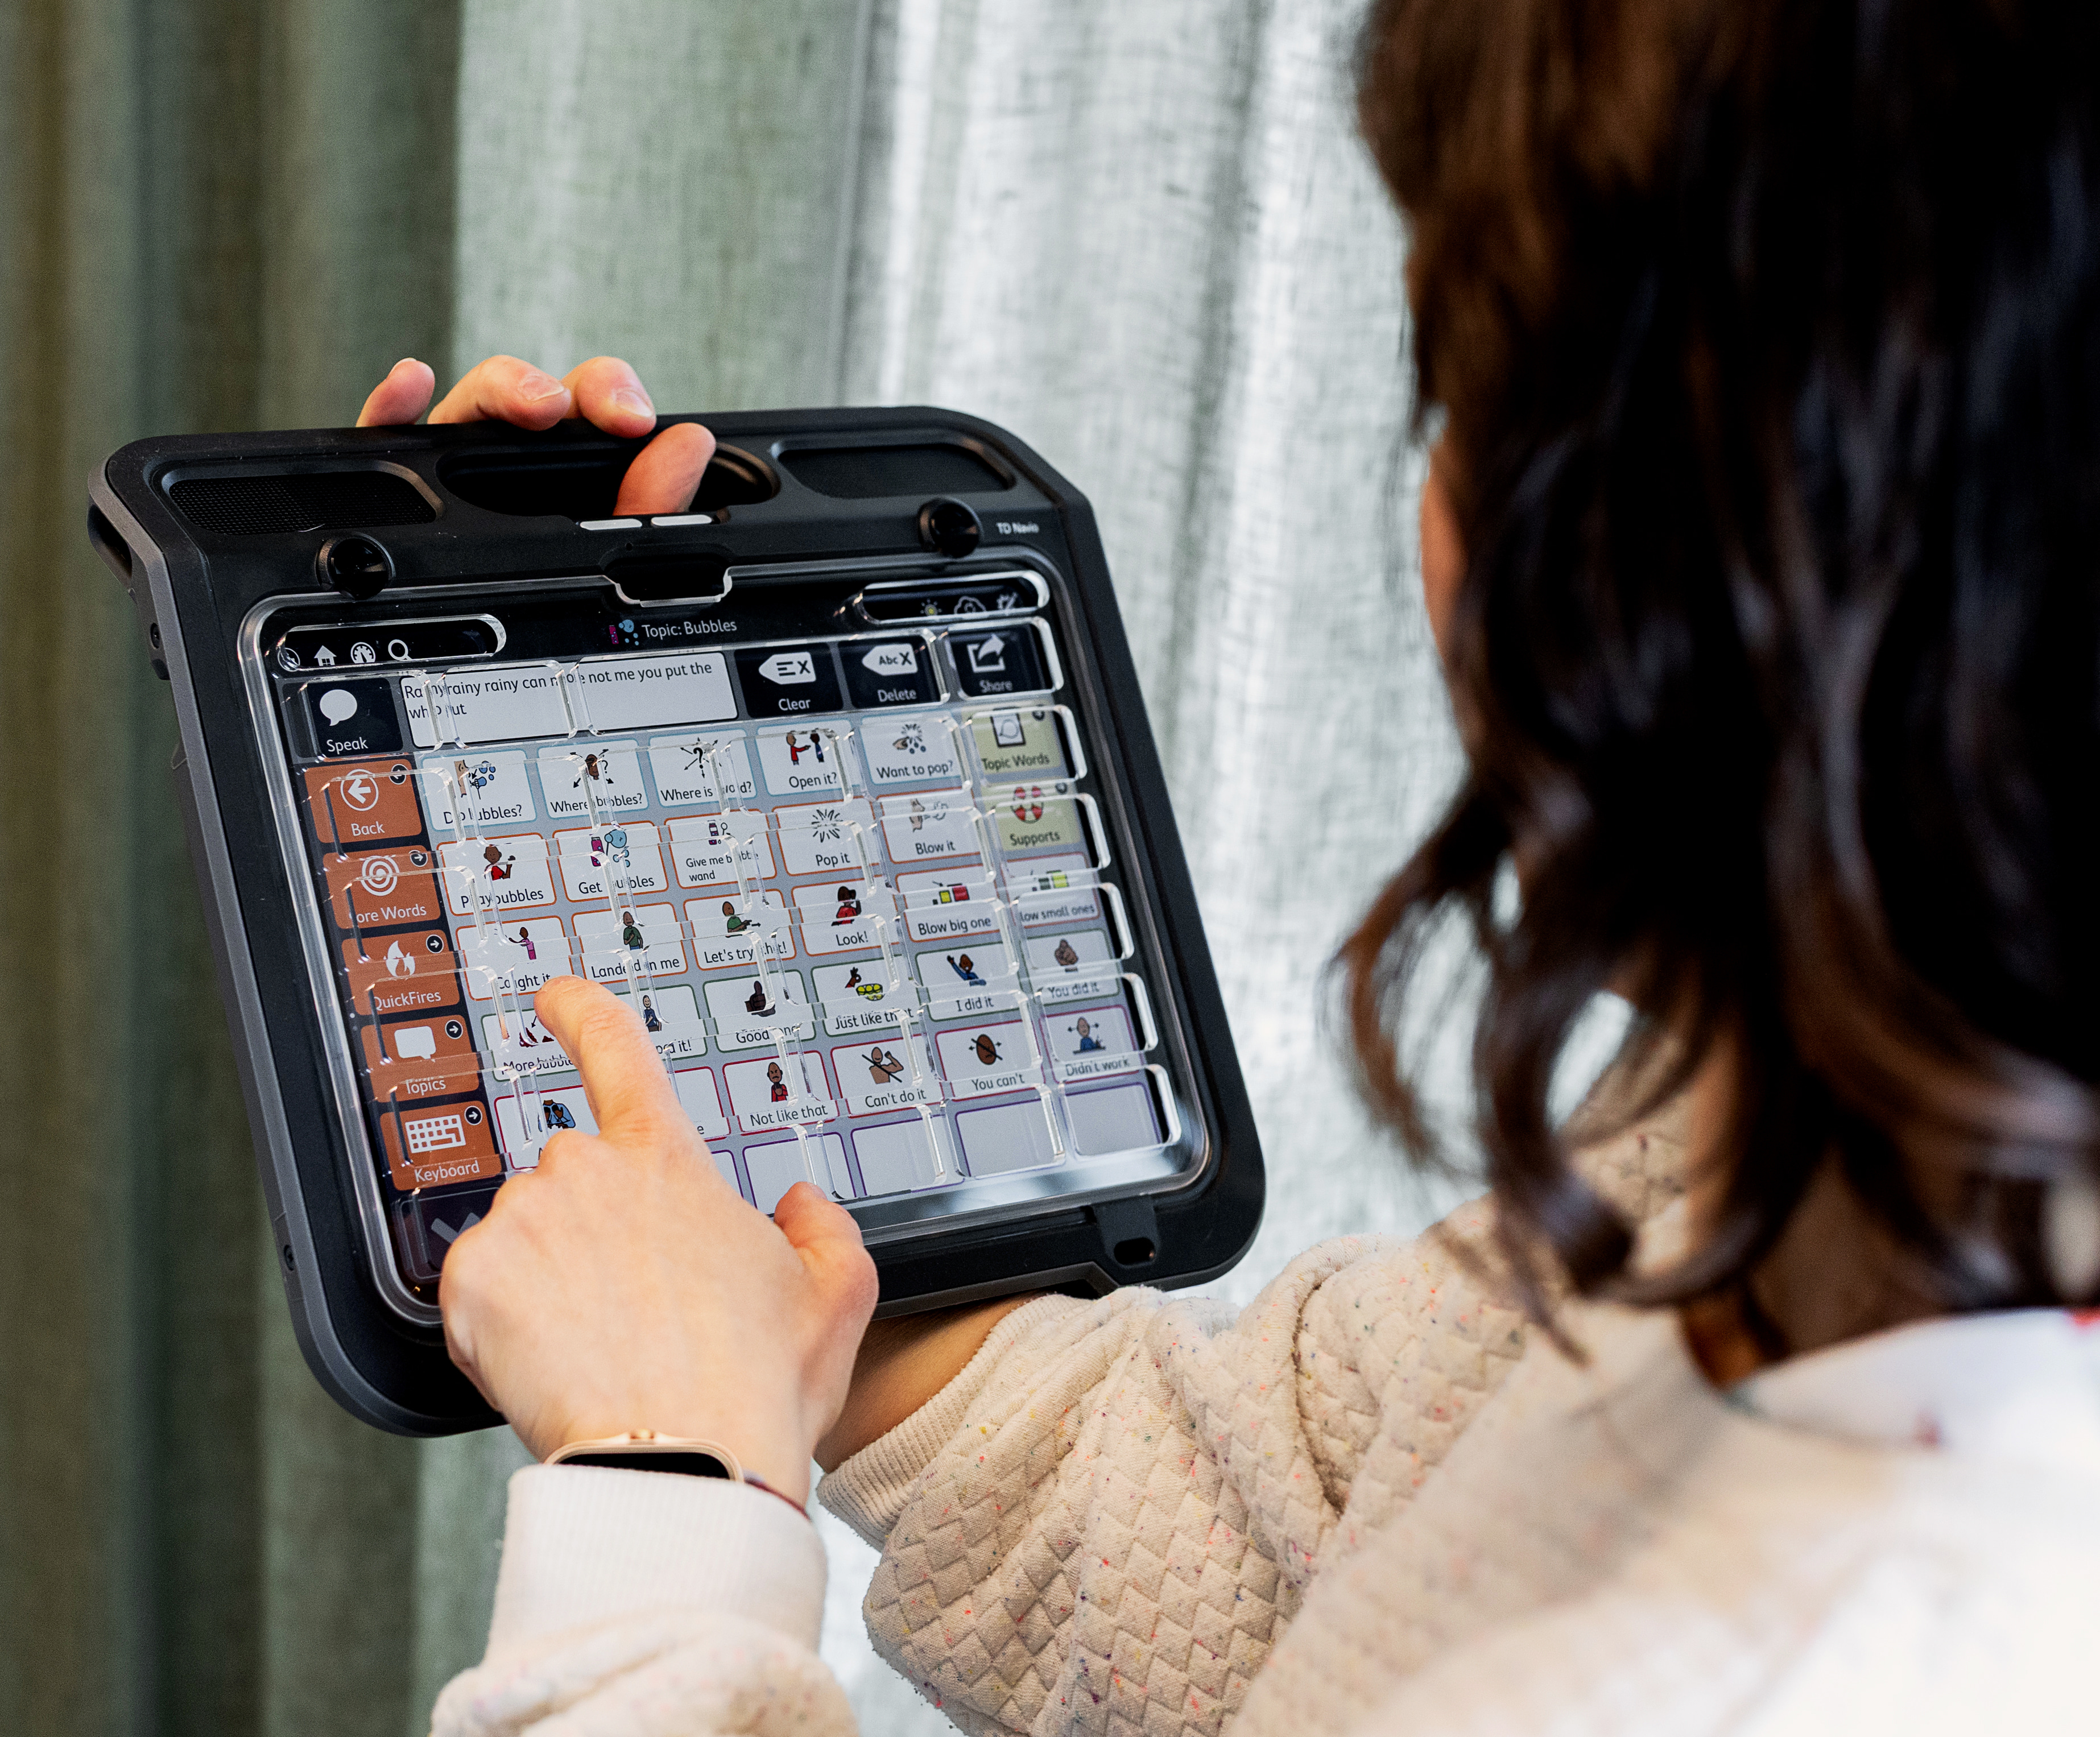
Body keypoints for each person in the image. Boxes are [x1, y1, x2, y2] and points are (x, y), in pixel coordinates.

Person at [359, 3, 2100, 1730]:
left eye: (1463, 395)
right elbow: (1255, 1555)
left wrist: (664, 1503)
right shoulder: (1797, 1158)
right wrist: (696, 974)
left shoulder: (1802, 1662)